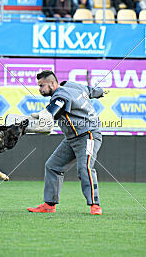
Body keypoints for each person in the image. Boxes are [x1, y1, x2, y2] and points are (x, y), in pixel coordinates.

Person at [27, 70, 106, 215]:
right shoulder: (72, 86)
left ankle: (95, 205)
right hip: (72, 138)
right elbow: (90, 91)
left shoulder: (59, 95)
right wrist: (101, 92)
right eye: (39, 86)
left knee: (85, 168)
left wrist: (45, 114)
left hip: (88, 135)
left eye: (42, 85)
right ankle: (49, 205)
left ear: (52, 83)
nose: (40, 89)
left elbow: (56, 106)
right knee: (53, 166)